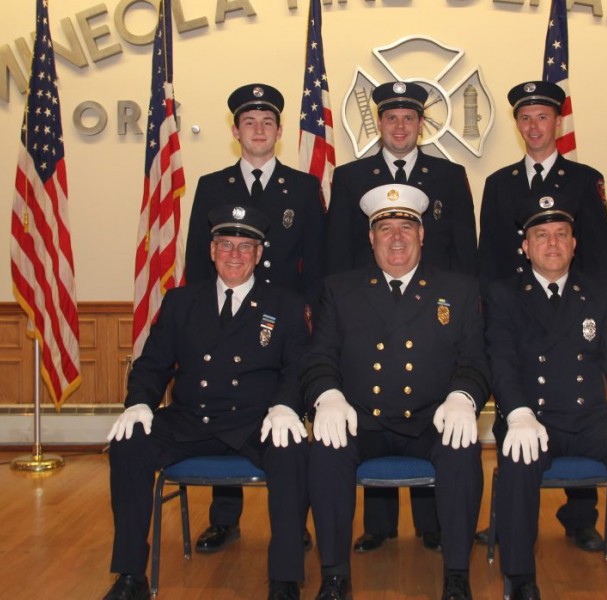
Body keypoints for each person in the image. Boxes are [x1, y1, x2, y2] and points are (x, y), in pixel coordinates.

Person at [102, 205, 310, 600]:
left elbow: (297, 367)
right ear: (212, 250)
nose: (235, 254)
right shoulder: (181, 302)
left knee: (293, 449)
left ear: (259, 254)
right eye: (226, 245)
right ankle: (130, 575)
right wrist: (139, 403)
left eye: (245, 247)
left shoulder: (284, 304)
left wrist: (286, 406)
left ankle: (285, 580)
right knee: (128, 442)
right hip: (190, 419)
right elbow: (152, 364)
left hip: (254, 422)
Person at [304, 184, 489, 600]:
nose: (397, 237)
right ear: (371, 237)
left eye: (406, 226)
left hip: (430, 420)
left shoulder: (458, 290)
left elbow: (475, 360)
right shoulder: (340, 290)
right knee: (326, 450)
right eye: (385, 228)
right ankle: (334, 576)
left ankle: (457, 575)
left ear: (422, 234)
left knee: (462, 450)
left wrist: (463, 397)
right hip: (363, 421)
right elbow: (319, 357)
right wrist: (327, 395)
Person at [324, 81, 479, 553]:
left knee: (428, 404)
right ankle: (379, 526)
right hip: (367, 312)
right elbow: (339, 254)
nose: (399, 126)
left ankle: (434, 526)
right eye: (391, 118)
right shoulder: (350, 177)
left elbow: (464, 253)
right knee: (373, 400)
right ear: (379, 123)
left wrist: (460, 312)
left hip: (435, 313)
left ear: (420, 124)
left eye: (409, 118)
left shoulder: (449, 176)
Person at [484, 195, 607, 600]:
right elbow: (501, 361)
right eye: (541, 235)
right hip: (532, 418)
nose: (552, 243)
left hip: (588, 420)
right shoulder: (503, 295)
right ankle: (520, 578)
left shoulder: (599, 295)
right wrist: (517, 413)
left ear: (574, 244)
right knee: (518, 458)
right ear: (525, 246)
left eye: (561, 234)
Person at [184, 83, 324, 554]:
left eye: (267, 122)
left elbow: (316, 263)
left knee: (289, 418)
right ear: (236, 131)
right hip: (224, 321)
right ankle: (224, 519)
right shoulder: (211, 186)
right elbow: (197, 263)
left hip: (282, 326)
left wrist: (309, 319)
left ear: (280, 131)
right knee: (223, 408)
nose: (258, 130)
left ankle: (293, 521)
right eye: (249, 122)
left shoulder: (302, 188)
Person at [476, 80, 607, 552]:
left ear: (557, 121)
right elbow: (490, 258)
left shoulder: (584, 180)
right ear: (516, 123)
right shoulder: (499, 184)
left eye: (542, 117)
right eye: (525, 118)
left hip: (572, 320)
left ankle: (580, 518)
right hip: (516, 321)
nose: (534, 126)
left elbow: (598, 255)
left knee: (581, 407)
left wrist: (587, 315)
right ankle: (509, 518)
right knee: (514, 415)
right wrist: (493, 318)